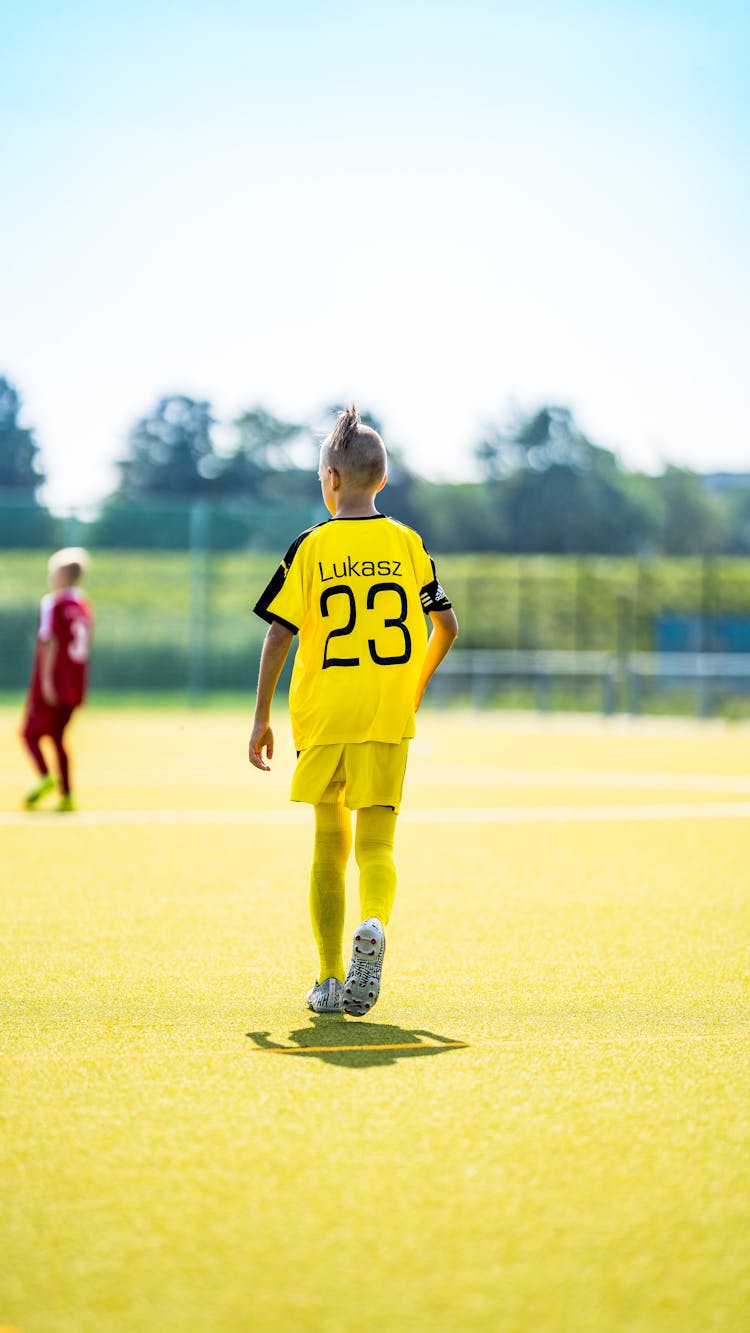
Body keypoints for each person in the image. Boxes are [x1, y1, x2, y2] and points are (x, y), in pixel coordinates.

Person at [249, 407, 458, 1016]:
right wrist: (413, 684)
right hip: (386, 714)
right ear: (383, 482)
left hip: (324, 715)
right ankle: (374, 922)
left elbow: (279, 635)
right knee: (377, 845)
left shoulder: (311, 547)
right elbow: (444, 624)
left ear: (331, 479)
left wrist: (261, 716)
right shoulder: (407, 543)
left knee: (327, 843)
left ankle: (330, 977)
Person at [21, 547, 93, 813]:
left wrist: (47, 682)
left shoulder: (54, 603)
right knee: (59, 738)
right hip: (75, 683)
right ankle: (67, 794)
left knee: (29, 734)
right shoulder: (83, 606)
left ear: (63, 575)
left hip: (53, 683)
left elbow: (48, 643)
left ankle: (45, 777)